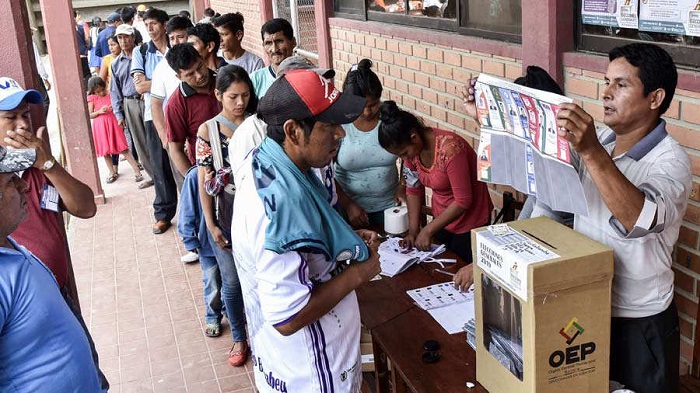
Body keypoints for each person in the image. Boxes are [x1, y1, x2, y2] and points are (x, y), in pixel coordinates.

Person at [464, 43, 689, 393]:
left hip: (639, 321)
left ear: (655, 97)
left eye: (621, 84)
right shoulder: (602, 140)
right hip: (586, 303)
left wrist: (591, 152)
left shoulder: (670, 161)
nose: (607, 93)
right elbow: (537, 168)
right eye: (606, 81)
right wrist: (492, 119)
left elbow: (640, 219)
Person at [230, 68, 381, 392]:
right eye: (329, 126)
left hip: (285, 363)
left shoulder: (268, 162)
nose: (341, 134)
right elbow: (287, 317)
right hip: (312, 371)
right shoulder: (282, 205)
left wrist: (344, 239)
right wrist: (360, 273)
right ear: (293, 131)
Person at [0, 77, 108, 390]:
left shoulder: (38, 168)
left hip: (54, 292)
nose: (21, 126)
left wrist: (47, 163)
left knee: (89, 368)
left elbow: (86, 207)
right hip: (19, 309)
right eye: (10, 118)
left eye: (25, 115)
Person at [377, 101, 493, 285]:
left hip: (470, 222)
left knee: (461, 278)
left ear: (414, 137)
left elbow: (463, 200)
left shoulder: (451, 149)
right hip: (443, 220)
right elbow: (413, 189)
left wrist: (428, 229)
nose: (404, 159)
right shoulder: (413, 153)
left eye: (404, 153)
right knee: (437, 272)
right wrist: (414, 231)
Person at [196, 65, 257, 366]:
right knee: (231, 283)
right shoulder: (208, 130)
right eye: (233, 96)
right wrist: (210, 225)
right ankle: (239, 337)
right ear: (218, 95)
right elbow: (205, 181)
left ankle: (262, 334)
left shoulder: (259, 124)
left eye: (245, 95)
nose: (240, 103)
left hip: (257, 210)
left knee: (260, 277)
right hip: (227, 212)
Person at [335, 59, 405, 227]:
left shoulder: (389, 117)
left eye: (373, 105)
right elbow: (324, 173)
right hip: (348, 209)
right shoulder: (339, 122)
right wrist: (348, 205)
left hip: (390, 208)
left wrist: (403, 185)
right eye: (360, 107)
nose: (367, 112)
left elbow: (409, 156)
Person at [131, 7, 178, 234]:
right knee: (160, 167)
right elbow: (139, 86)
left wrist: (154, 81)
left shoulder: (176, 46)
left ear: (164, 24)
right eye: (146, 24)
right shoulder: (141, 51)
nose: (149, 28)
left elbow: (186, 74)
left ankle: (194, 208)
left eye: (154, 23)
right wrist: (170, 80)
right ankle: (163, 214)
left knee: (185, 162)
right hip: (154, 114)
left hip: (180, 112)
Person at [177, 167, 224, 336]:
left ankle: (229, 309)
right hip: (207, 245)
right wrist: (189, 238)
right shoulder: (194, 176)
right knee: (212, 283)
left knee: (230, 282)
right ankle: (213, 317)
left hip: (228, 243)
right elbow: (186, 210)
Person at [150, 16, 194, 191]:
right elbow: (155, 105)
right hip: (177, 137)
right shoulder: (162, 68)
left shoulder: (200, 63)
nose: (176, 42)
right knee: (186, 187)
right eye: (172, 38)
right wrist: (164, 137)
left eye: (180, 37)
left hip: (202, 135)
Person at [164, 44, 220, 180]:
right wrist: (194, 179)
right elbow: (175, 148)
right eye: (190, 74)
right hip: (209, 173)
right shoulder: (175, 105)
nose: (199, 75)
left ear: (202, 58)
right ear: (179, 76)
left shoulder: (225, 80)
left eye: (200, 67)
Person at [111, 24, 153, 188]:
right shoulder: (116, 63)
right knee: (140, 142)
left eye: (126, 36)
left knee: (155, 137)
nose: (123, 41)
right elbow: (115, 91)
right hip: (129, 103)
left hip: (147, 98)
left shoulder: (144, 54)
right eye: (120, 37)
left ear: (133, 37)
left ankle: (166, 172)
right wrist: (119, 114)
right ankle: (153, 176)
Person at [87, 76, 143, 184]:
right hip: (100, 126)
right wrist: (99, 111)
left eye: (102, 90)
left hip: (114, 122)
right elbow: (90, 115)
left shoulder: (112, 93)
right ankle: (112, 172)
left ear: (105, 86)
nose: (101, 93)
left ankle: (136, 171)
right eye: (97, 92)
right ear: (93, 92)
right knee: (105, 151)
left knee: (123, 147)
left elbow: (119, 105)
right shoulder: (92, 98)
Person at [249, 18, 296, 97]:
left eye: (279, 41)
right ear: (263, 46)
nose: (274, 49)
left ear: (293, 42)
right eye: (268, 43)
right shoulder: (256, 79)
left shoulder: (307, 76)